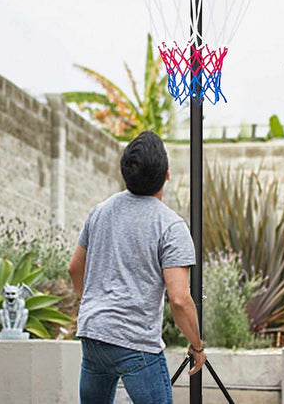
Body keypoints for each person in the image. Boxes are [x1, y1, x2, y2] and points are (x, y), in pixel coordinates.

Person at [68, 130, 206, 404]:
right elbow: (179, 300)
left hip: (93, 334)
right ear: (166, 175)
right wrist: (197, 345)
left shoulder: (100, 211)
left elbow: (74, 268)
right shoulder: (170, 225)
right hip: (136, 343)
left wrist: (94, 305)